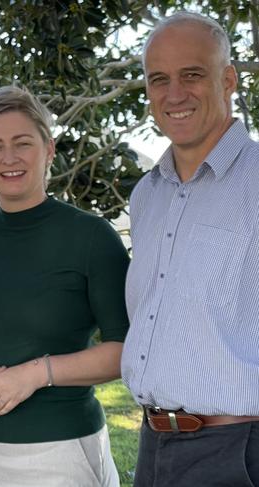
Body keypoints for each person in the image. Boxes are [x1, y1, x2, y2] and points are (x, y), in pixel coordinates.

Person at [0, 85, 130, 487]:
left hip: (62, 452)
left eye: (23, 143)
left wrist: (35, 374)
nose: (9, 158)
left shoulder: (93, 237)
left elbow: (126, 352)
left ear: (49, 149)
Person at [121, 11, 259, 487]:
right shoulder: (146, 195)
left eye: (192, 75)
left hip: (238, 450)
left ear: (228, 80)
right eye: (159, 79)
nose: (174, 94)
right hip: (153, 445)